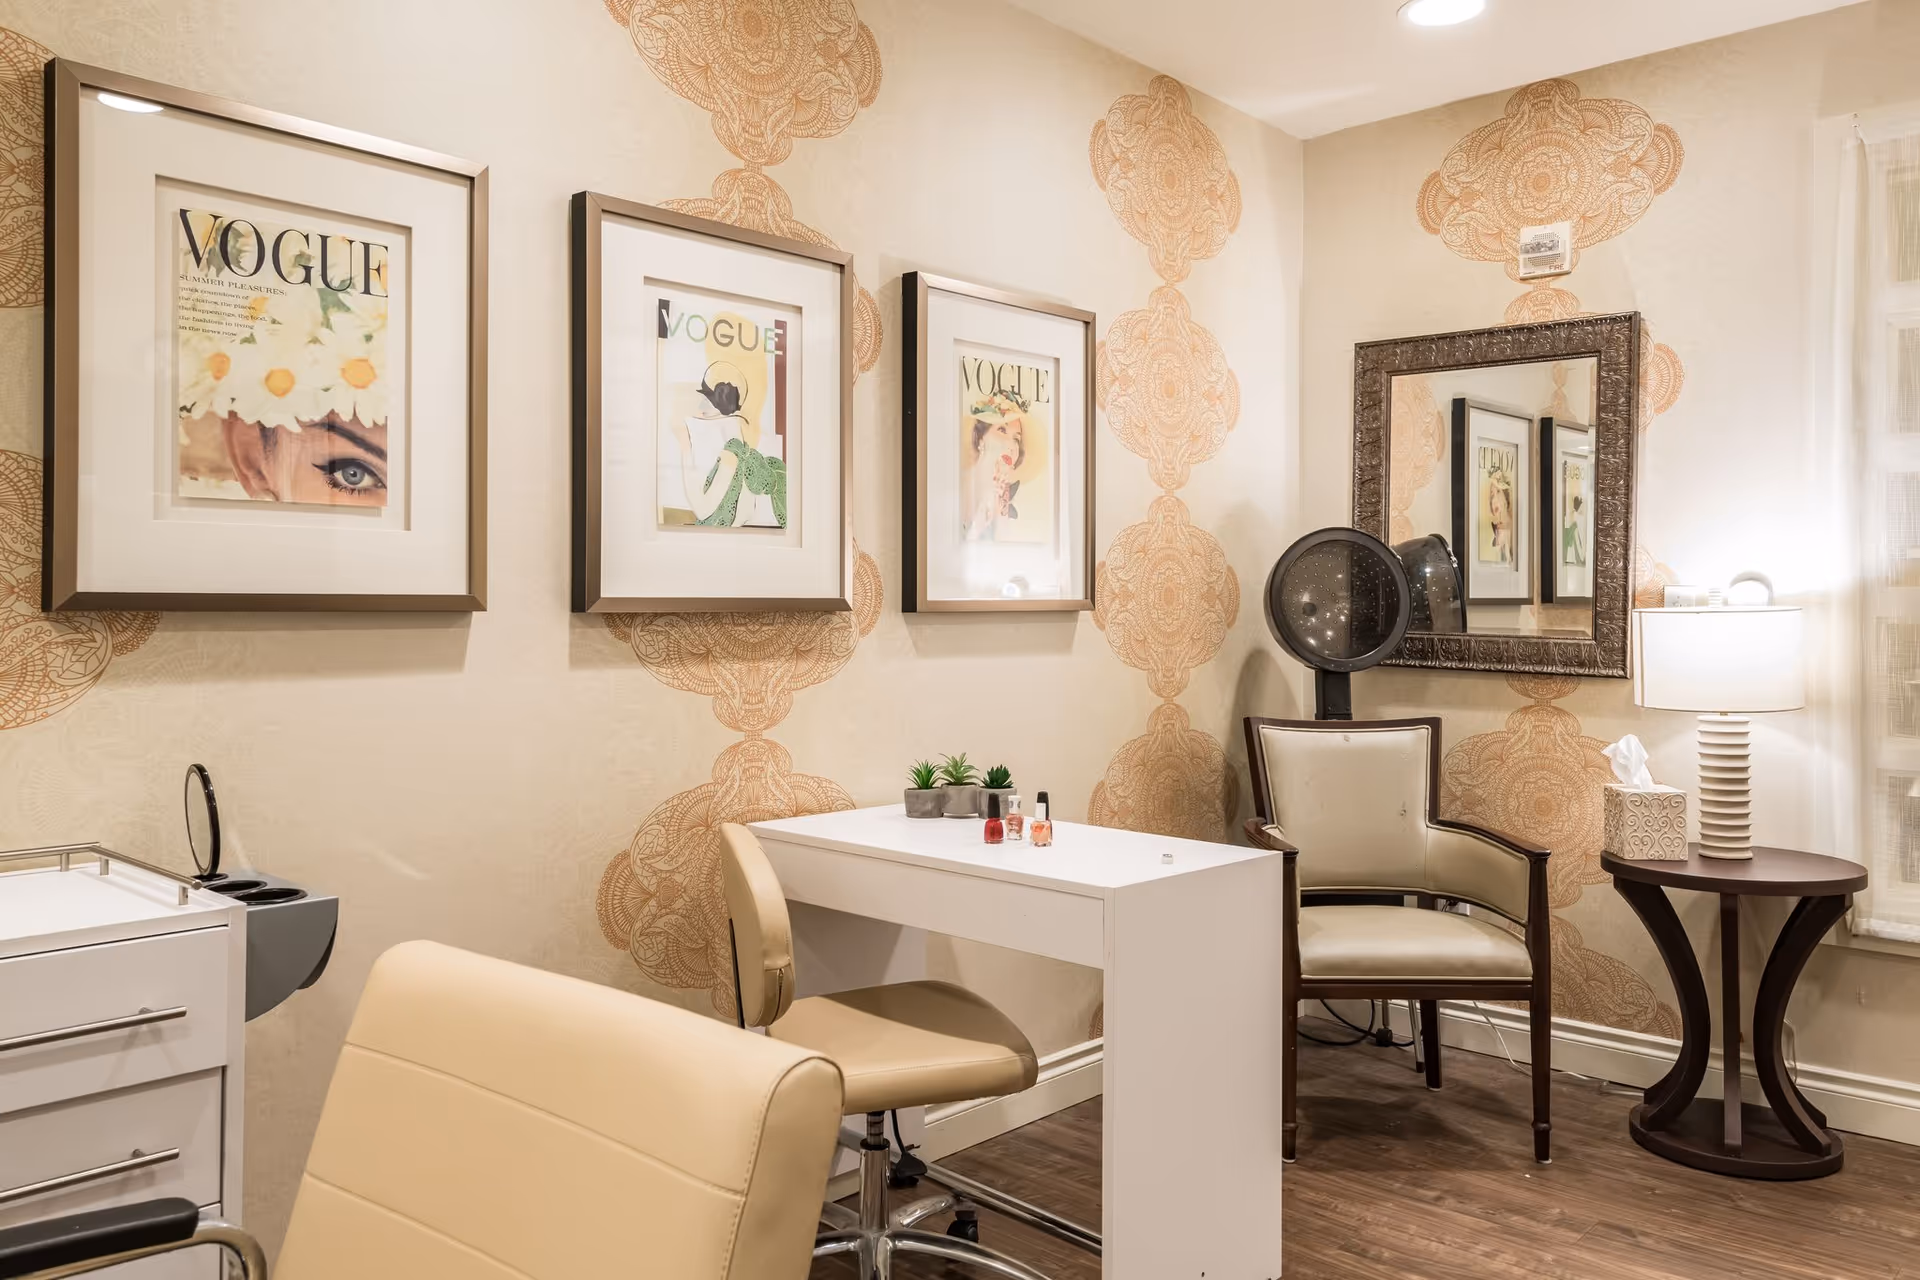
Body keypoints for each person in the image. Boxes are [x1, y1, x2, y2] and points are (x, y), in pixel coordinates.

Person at [961, 391, 1028, 542]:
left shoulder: (1003, 491)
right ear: (980, 438)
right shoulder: (962, 483)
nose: (1011, 446)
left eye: (1016, 439)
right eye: (1002, 430)